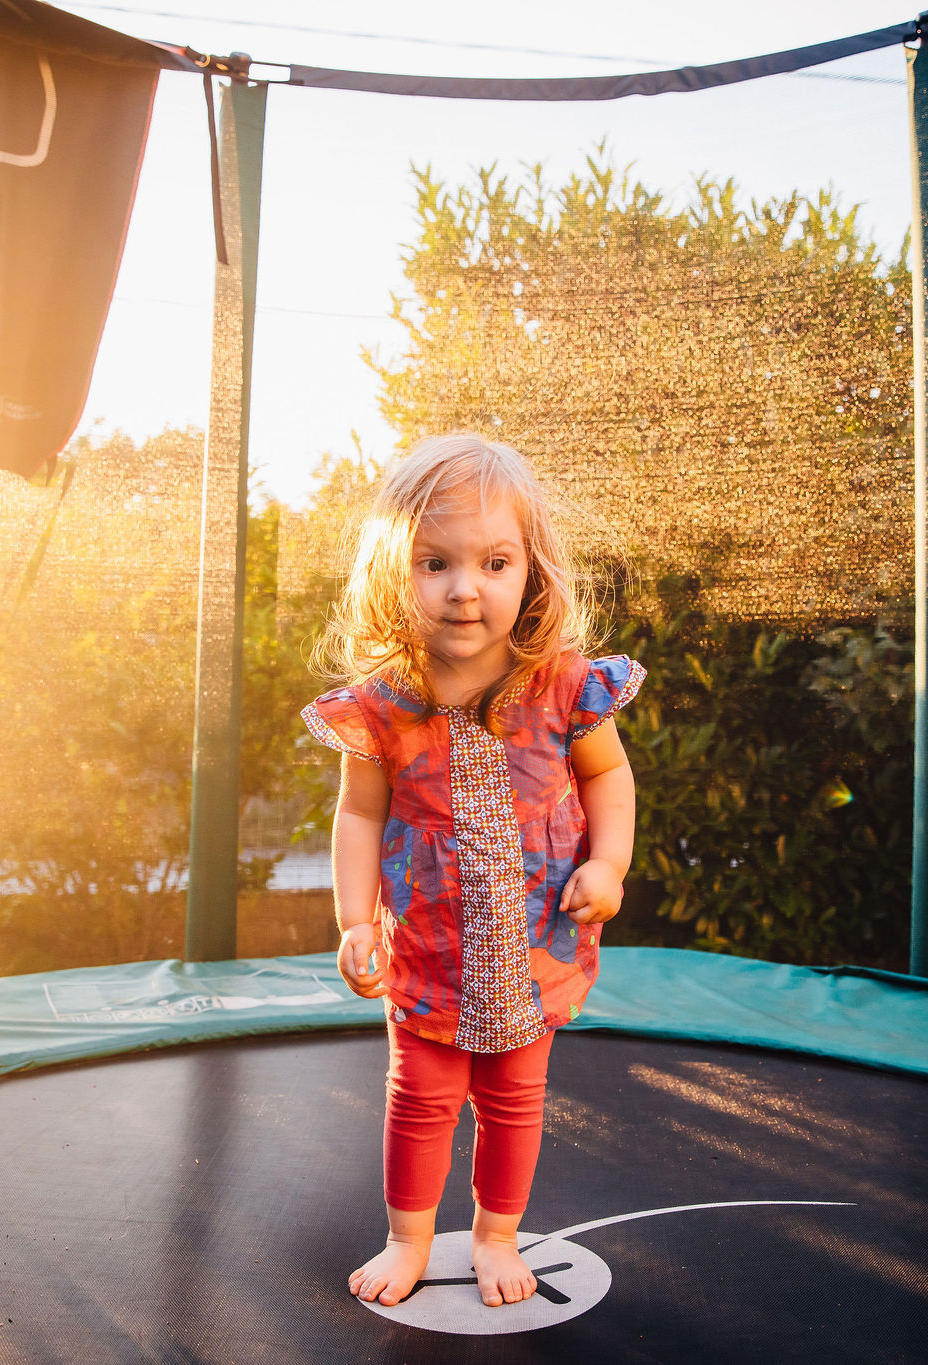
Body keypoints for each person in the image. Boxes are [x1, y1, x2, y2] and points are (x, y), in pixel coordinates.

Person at [299, 432, 644, 1309]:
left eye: (494, 561)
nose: (464, 588)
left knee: (514, 1099)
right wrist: (353, 918)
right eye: (434, 562)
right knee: (420, 1097)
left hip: (537, 948)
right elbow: (359, 814)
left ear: (531, 569)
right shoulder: (380, 707)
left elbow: (608, 775)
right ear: (393, 570)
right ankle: (409, 1237)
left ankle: (496, 1234)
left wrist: (609, 863)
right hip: (428, 952)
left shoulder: (564, 685)